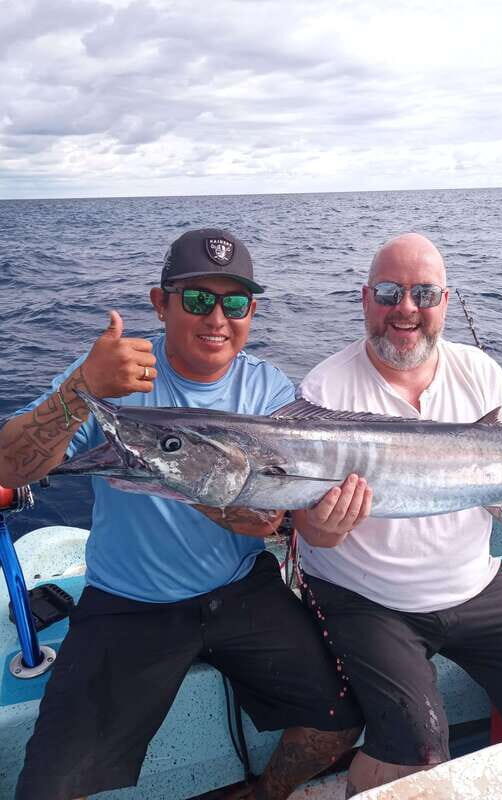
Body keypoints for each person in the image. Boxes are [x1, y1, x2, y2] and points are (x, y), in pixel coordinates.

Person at [0, 228, 361, 800]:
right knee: (49, 786)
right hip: (128, 599)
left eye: (234, 303)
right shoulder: (109, 378)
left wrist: (259, 514)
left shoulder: (268, 388)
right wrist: (79, 388)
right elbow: (11, 466)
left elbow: (269, 517)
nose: (216, 318)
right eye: (197, 299)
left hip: (242, 588)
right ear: (160, 303)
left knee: (338, 723)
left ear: (251, 313)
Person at [292, 233, 502, 798]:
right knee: (417, 745)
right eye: (389, 292)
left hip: (476, 585)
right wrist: (321, 528)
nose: (405, 308)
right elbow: (311, 531)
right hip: (368, 597)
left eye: (424, 293)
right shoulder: (324, 388)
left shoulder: (480, 371)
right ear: (365, 299)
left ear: (445, 302)